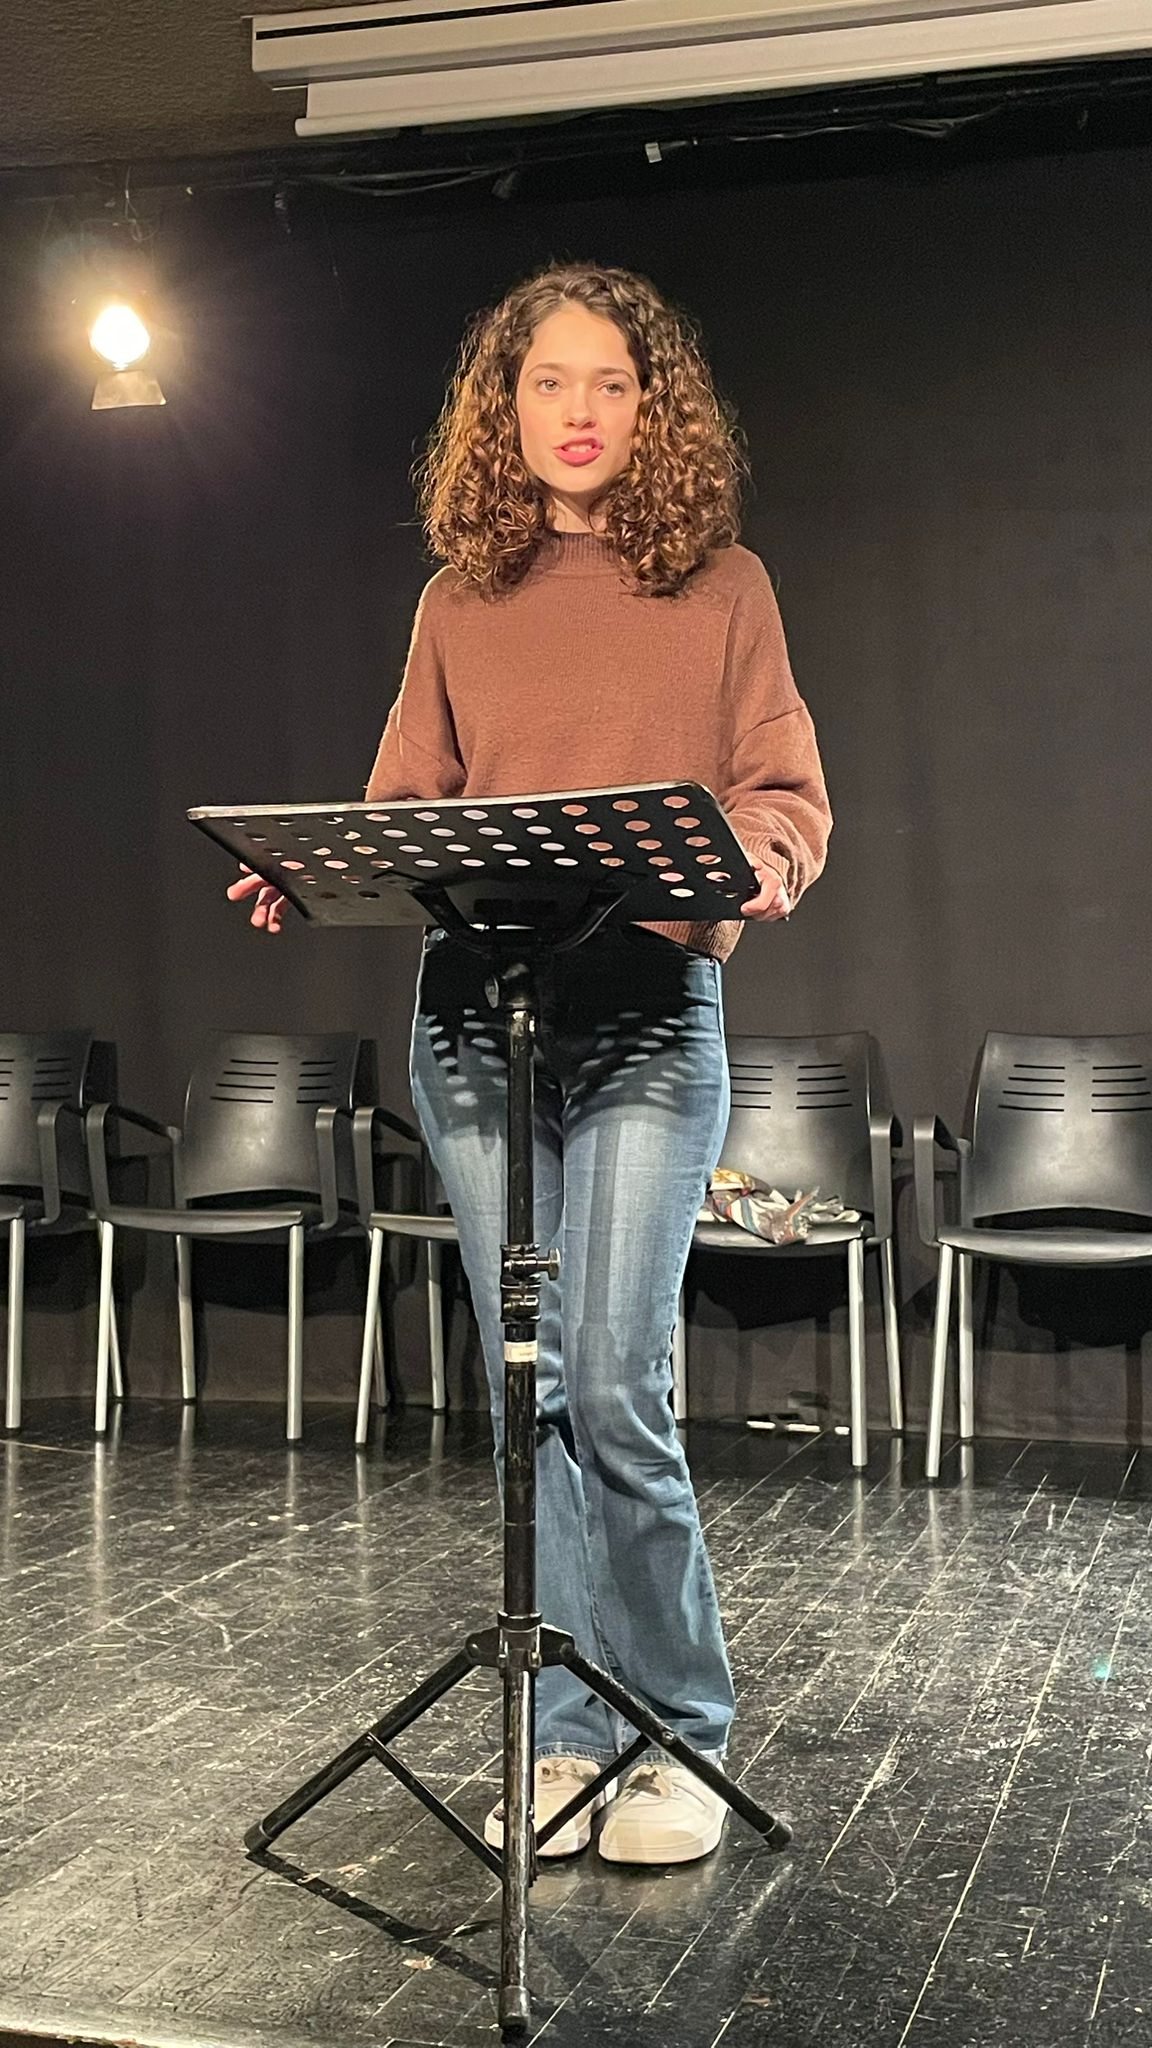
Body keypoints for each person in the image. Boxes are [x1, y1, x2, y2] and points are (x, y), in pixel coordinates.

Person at [229, 261, 831, 1866]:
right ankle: (563, 1734)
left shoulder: (724, 587)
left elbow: (781, 790)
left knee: (616, 1381)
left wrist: (764, 860)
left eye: (610, 384)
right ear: (505, 408)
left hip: (645, 1018)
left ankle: (677, 1736)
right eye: (548, 382)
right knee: (532, 1386)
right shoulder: (460, 599)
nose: (579, 411)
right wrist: (313, 872)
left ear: (652, 410)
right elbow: (403, 809)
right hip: (478, 1023)